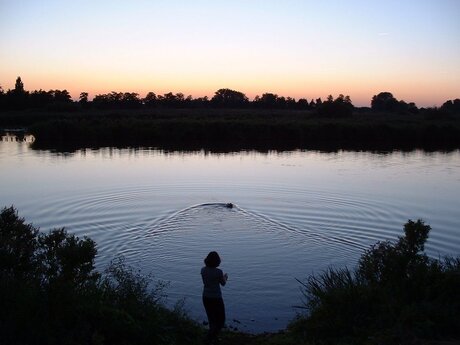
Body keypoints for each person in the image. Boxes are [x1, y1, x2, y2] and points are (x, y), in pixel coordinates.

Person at [201, 251, 228, 344]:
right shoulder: (218, 272)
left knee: (211, 318)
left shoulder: (203, 270)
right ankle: (209, 337)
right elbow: (223, 283)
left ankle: (212, 338)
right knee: (221, 319)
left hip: (205, 296)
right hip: (216, 298)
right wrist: (225, 277)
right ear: (217, 261)